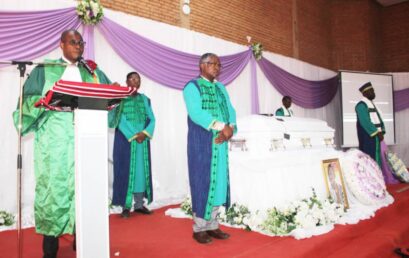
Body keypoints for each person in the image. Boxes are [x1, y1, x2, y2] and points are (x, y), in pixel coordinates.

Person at [12, 29, 113, 258]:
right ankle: (50, 247)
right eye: (72, 42)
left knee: (84, 189)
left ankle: (82, 237)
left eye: (80, 43)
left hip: (86, 141)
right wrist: (39, 102)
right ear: (61, 44)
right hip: (55, 144)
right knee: (53, 192)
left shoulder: (92, 72)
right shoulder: (46, 70)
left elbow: (108, 95)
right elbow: (25, 104)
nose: (78, 46)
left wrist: (114, 91)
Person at [183, 53, 237, 244]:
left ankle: (213, 224)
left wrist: (230, 130)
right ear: (202, 66)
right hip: (202, 143)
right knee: (202, 182)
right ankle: (199, 228)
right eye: (212, 63)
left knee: (219, 184)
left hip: (220, 143)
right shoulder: (192, 87)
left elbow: (230, 111)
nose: (217, 67)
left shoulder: (221, 88)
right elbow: (196, 113)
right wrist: (222, 127)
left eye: (218, 65)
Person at [109, 72, 155, 218]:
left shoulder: (145, 99)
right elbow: (118, 119)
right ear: (127, 81)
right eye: (132, 79)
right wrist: (134, 134)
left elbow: (152, 118)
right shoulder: (120, 98)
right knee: (125, 171)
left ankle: (140, 204)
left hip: (142, 141)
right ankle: (125, 206)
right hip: (126, 140)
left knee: (141, 173)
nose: (135, 81)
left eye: (138, 79)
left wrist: (145, 133)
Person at [355, 82, 385, 167]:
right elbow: (365, 121)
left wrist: (381, 130)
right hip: (368, 137)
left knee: (376, 157)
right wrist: (377, 132)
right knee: (370, 157)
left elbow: (378, 119)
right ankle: (371, 177)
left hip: (375, 136)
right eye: (371, 91)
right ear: (365, 93)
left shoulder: (372, 104)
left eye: (373, 91)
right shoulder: (361, 105)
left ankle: (377, 175)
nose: (374, 93)